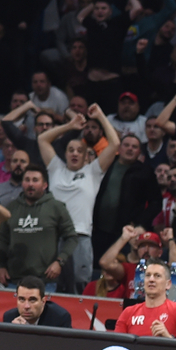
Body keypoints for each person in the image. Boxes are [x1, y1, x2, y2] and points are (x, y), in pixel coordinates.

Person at [37, 108, 120, 286]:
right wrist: (70, 126)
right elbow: (42, 139)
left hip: (80, 235)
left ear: (85, 156)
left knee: (79, 284)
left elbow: (114, 144)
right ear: (65, 153)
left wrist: (100, 116)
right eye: (71, 150)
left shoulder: (93, 172)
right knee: (50, 284)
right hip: (53, 235)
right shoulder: (55, 168)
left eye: (79, 151)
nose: (74, 153)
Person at [0, 165, 78, 292]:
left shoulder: (56, 207)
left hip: (45, 280)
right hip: (14, 279)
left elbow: (71, 237)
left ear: (45, 185)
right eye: (27, 180)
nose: (30, 184)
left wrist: (59, 262)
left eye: (35, 180)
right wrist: (0, 266)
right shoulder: (11, 208)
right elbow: (1, 239)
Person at [114, 261, 176, 339]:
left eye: (157, 276)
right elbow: (116, 349)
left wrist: (168, 338)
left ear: (168, 284)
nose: (151, 279)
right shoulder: (128, 313)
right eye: (148, 275)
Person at [1, 276, 72, 327]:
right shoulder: (9, 318)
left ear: (43, 301)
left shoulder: (60, 318)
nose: (26, 306)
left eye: (32, 300)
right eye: (22, 299)